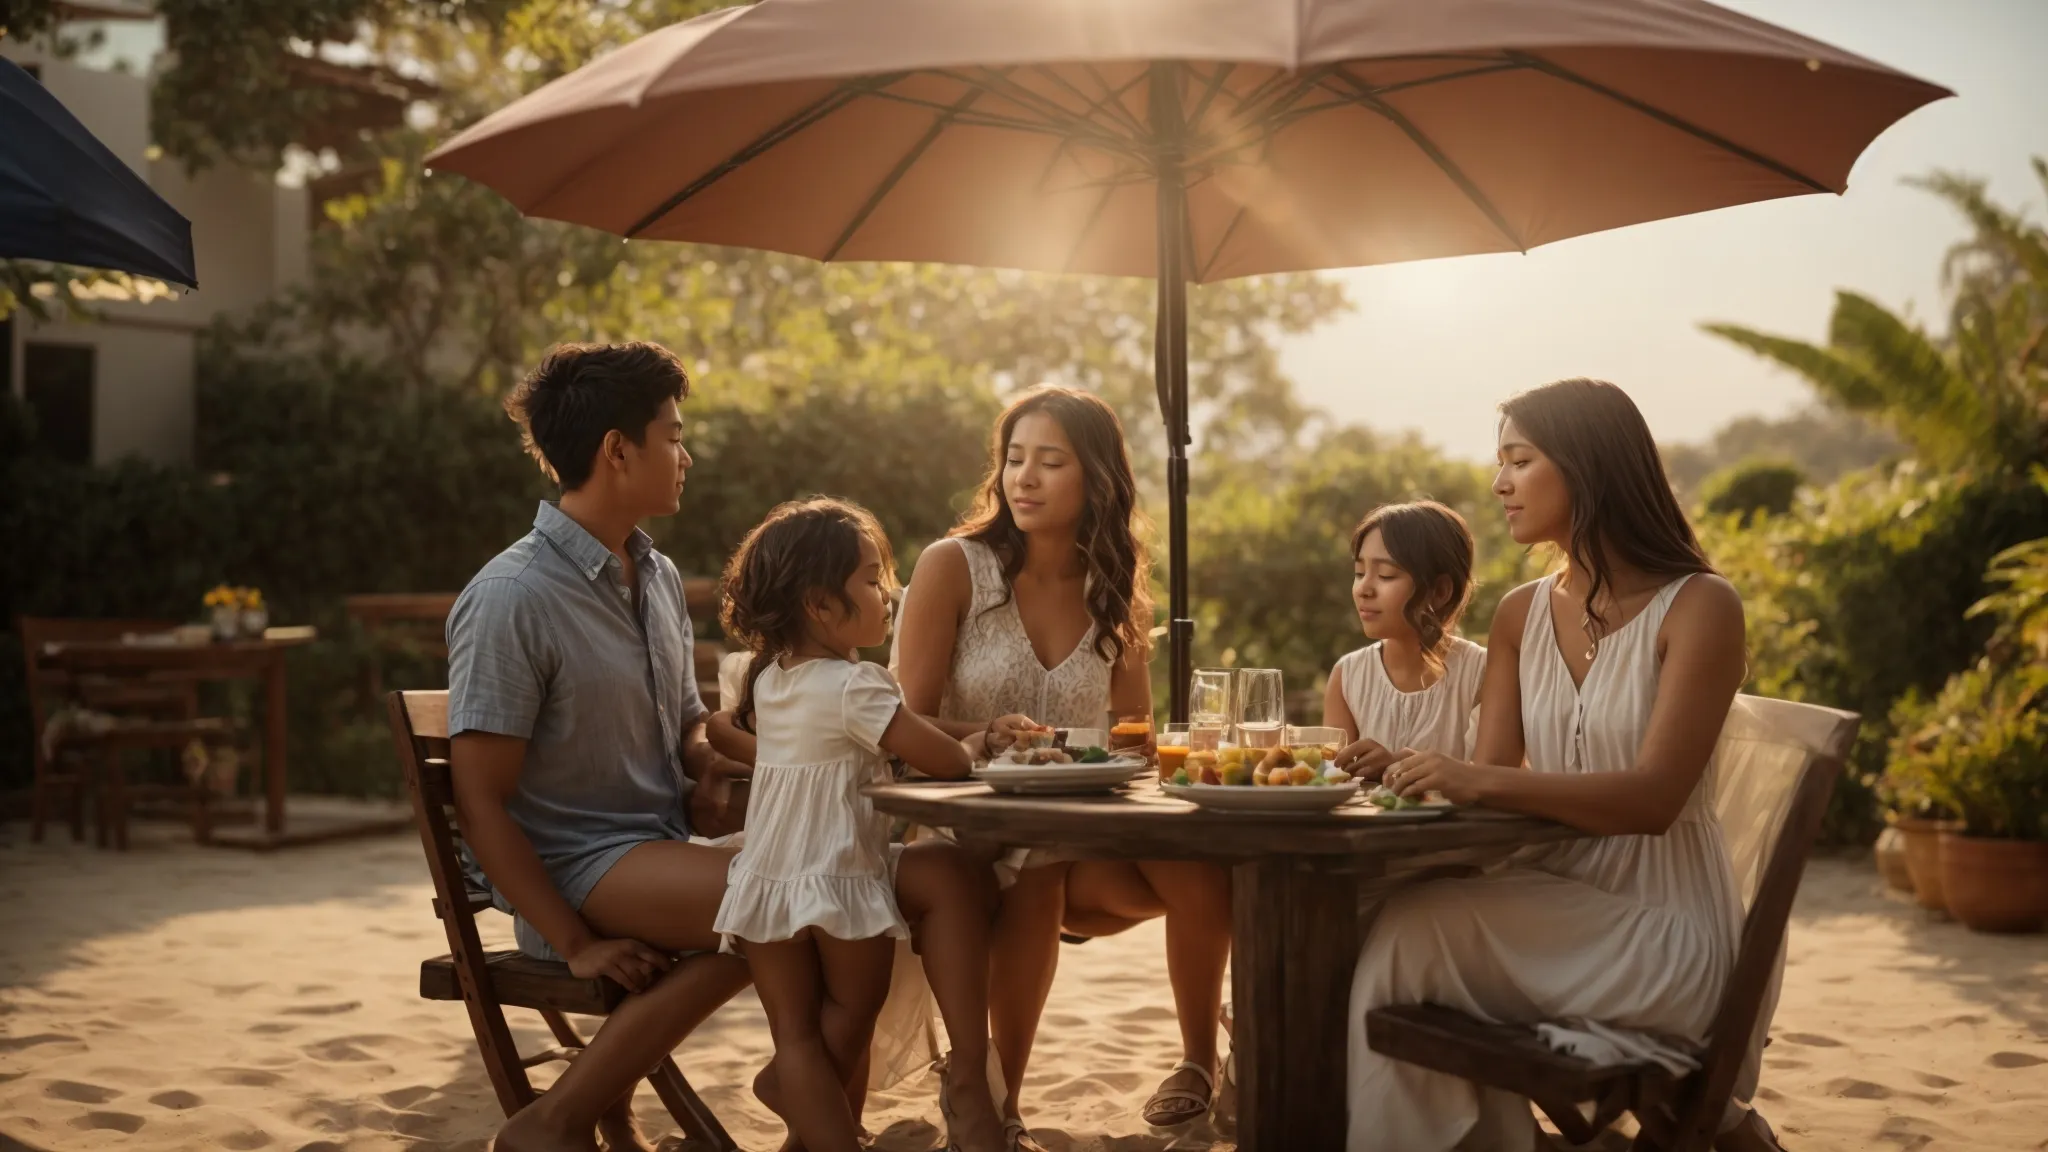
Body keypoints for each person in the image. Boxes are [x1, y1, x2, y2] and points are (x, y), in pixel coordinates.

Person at [1345, 377, 1782, 1152]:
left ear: (1587, 466)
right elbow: (1484, 781)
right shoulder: (1520, 613)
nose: (1499, 482)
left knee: (1411, 935)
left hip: (1663, 929)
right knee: (1392, 927)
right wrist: (1405, 770)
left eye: (1520, 460)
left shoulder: (1700, 605)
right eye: (1500, 461)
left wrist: (1474, 777)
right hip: (1549, 900)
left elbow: (1653, 801)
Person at [891, 386, 1233, 1147]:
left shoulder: (1115, 590)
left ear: (1096, 478)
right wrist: (989, 734)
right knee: (1037, 873)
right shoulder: (954, 567)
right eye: (1014, 459)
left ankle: (1200, 1064)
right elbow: (904, 720)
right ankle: (1002, 1105)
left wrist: (1161, 755)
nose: (1025, 478)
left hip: (1077, 830)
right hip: (962, 825)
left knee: (1204, 866)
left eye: (1050, 462)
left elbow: (1133, 736)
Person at [446, 341, 753, 1152]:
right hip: (570, 879)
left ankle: (594, 1108)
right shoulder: (513, 597)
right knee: (782, 899)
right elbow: (479, 801)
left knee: (816, 879)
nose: (687, 456)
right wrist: (577, 944)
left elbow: (686, 721)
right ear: (619, 449)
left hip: (657, 853)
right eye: (675, 437)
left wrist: (706, 761)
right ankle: (553, 1121)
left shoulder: (656, 575)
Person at [713, 498, 1006, 1152]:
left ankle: (793, 1086)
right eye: (873, 581)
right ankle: (794, 1094)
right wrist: (977, 743)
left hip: (766, 880)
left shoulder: (772, 682)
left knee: (796, 1034)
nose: (889, 594)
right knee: (852, 1013)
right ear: (820, 604)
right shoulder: (859, 686)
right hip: (841, 877)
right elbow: (947, 761)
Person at [1324, 500, 1487, 782]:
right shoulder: (1348, 676)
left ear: (1440, 591)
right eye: (1359, 573)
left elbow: (1498, 779)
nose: (1363, 589)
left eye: (1386, 575)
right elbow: (1332, 781)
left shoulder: (1483, 673)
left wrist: (1397, 767)